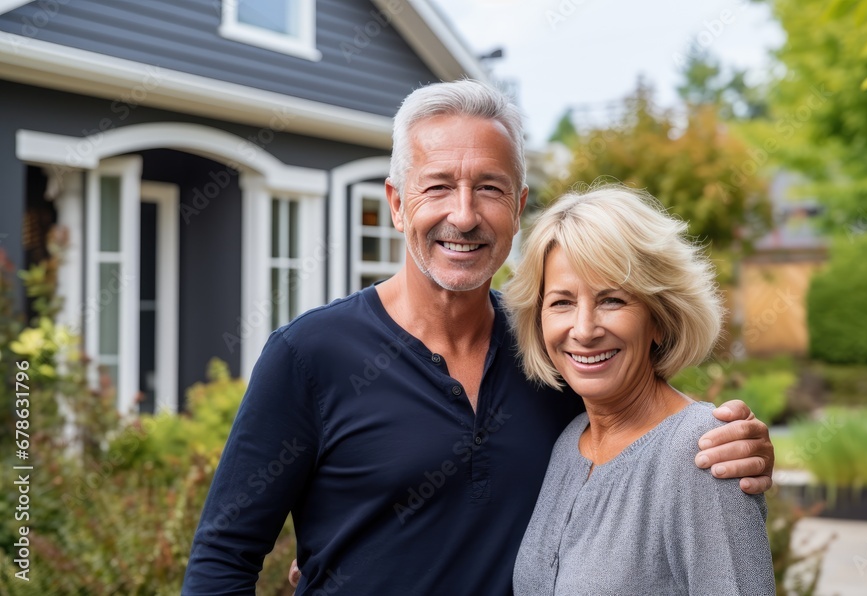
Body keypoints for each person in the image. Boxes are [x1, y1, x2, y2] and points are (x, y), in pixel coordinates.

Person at [183, 79, 774, 595]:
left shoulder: (550, 357)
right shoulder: (309, 357)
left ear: (517, 208)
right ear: (396, 203)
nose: (463, 216)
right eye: (437, 186)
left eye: (489, 188)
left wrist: (729, 445)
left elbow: (645, 430)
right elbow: (222, 559)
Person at [504, 184, 775, 595]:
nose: (584, 329)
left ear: (660, 318)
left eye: (611, 299)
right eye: (561, 302)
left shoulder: (703, 451)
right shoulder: (567, 444)